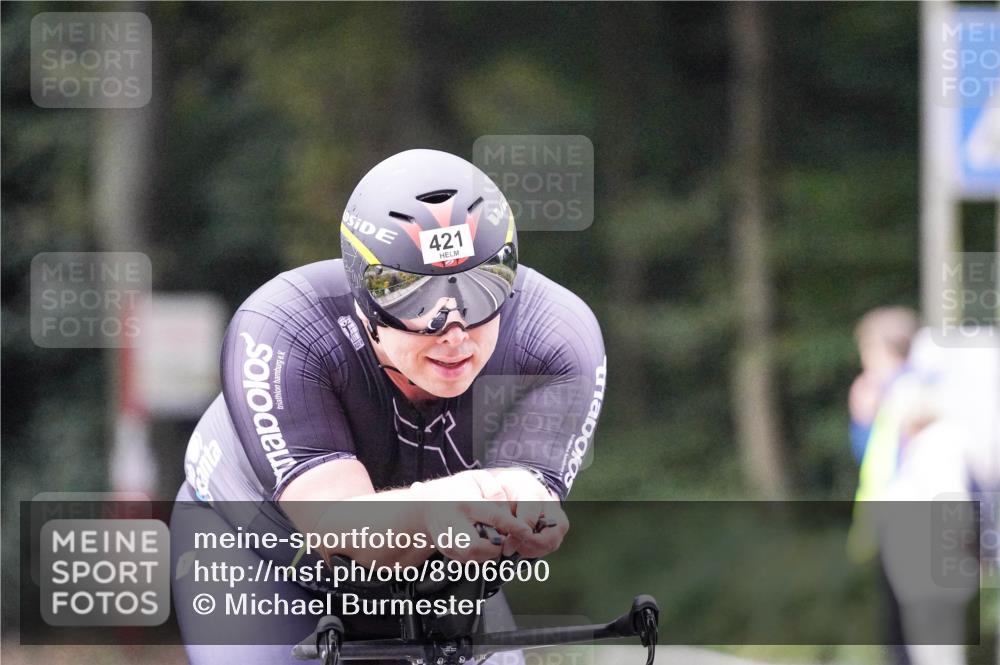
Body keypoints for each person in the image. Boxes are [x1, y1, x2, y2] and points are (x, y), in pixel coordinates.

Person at [170, 149, 608, 665]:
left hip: (433, 565)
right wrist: (467, 494)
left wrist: (524, 509)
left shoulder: (555, 337)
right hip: (262, 551)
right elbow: (343, 531)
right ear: (364, 296)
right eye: (415, 299)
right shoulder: (285, 329)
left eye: (480, 286)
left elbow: (525, 500)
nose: (454, 331)